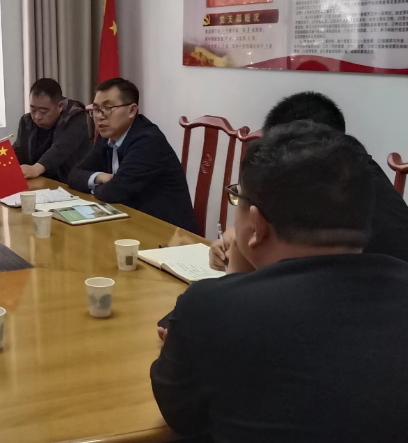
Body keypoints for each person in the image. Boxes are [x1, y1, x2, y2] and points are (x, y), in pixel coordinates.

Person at [151, 121, 408, 443]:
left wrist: (236, 272)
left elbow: (181, 418)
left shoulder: (210, 308)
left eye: (237, 198)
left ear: (256, 225)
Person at [209, 91, 408, 269]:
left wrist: (241, 260)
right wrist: (242, 233)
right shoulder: (350, 174)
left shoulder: (338, 200)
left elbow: (296, 273)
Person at [68, 78, 198, 233]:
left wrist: (98, 188)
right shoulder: (106, 136)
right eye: (96, 109)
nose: (100, 116)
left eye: (108, 108)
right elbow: (74, 175)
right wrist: (101, 177)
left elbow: (115, 191)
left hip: (168, 232)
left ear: (132, 110)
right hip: (130, 222)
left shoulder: (148, 140)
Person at [13, 78, 91, 182]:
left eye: (43, 111)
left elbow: (61, 148)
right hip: (40, 181)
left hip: (71, 183)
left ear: (60, 106)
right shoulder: (26, 121)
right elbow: (18, 151)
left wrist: (36, 168)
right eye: (33, 109)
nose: (37, 117)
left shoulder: (76, 118)